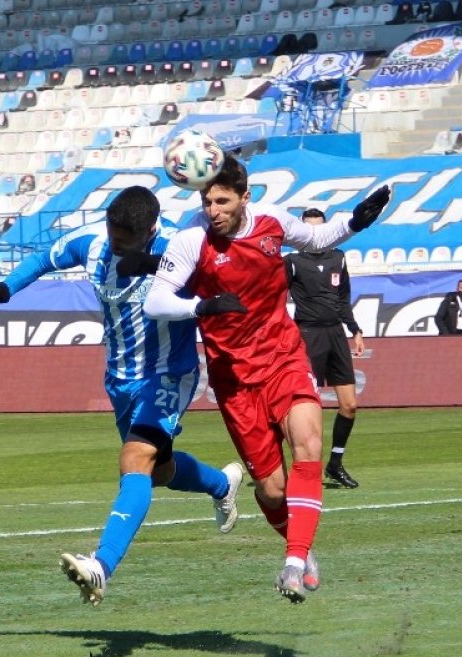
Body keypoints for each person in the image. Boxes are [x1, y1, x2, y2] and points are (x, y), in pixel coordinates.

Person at [0, 186, 244, 607]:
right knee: (158, 471)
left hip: (168, 373)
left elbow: (217, 275)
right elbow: (44, 259)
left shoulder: (176, 248)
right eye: (112, 234)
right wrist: (4, 290)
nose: (114, 245)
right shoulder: (91, 242)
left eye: (124, 241)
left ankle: (101, 566)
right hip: (120, 377)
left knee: (134, 459)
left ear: (149, 231)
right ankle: (221, 484)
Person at [145, 153, 390, 602]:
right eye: (207, 201)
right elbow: (155, 302)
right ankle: (300, 548)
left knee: (308, 443)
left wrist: (356, 221)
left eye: (222, 201)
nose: (213, 210)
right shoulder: (189, 242)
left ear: (245, 197)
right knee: (274, 491)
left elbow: (316, 239)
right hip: (235, 379)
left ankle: (293, 564)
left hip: (284, 357)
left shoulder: (271, 223)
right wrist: (201, 306)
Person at [284, 207, 365, 489]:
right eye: (310, 228)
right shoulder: (292, 260)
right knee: (309, 407)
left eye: (320, 228)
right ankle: (306, 467)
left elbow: (343, 299)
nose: (316, 234)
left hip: (335, 334)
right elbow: (275, 299)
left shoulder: (338, 258)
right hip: (307, 335)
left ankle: (335, 463)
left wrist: (354, 329)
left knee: (349, 406)